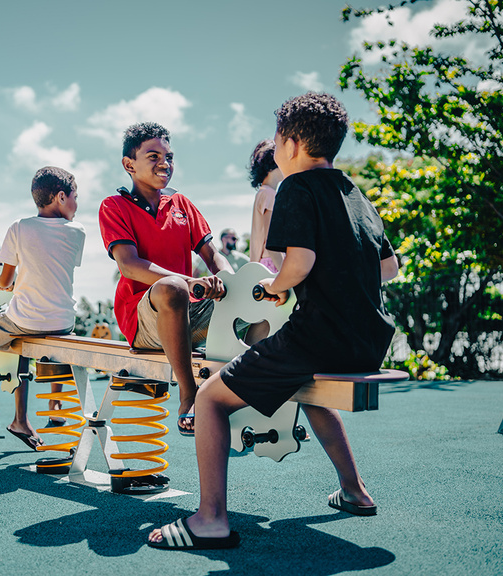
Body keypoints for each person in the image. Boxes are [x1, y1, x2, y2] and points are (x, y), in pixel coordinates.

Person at [148, 93, 399, 550]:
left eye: (280, 139)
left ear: (291, 142)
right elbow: (389, 268)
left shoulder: (295, 188)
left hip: (319, 336)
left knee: (209, 399)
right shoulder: (355, 193)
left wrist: (276, 287)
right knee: (308, 390)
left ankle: (210, 520)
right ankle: (354, 491)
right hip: (369, 340)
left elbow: (298, 263)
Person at [98, 122, 230, 437]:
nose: (165, 163)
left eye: (169, 156)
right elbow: (130, 266)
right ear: (129, 165)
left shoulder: (181, 204)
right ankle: (189, 393)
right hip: (143, 318)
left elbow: (213, 256)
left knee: (254, 307)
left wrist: (230, 282)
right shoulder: (113, 206)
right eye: (153, 156)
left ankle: (257, 395)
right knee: (171, 288)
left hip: (190, 314)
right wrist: (190, 282)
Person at [0, 166, 85, 451]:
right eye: (76, 197)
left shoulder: (19, 227)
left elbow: (6, 281)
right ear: (61, 197)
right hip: (64, 322)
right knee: (27, 339)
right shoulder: (78, 232)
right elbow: (54, 271)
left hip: (26, 320)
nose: (77, 204)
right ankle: (22, 419)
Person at [248, 139, 285, 273]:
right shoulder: (269, 195)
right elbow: (272, 242)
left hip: (261, 265)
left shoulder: (263, 193)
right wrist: (284, 274)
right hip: (271, 265)